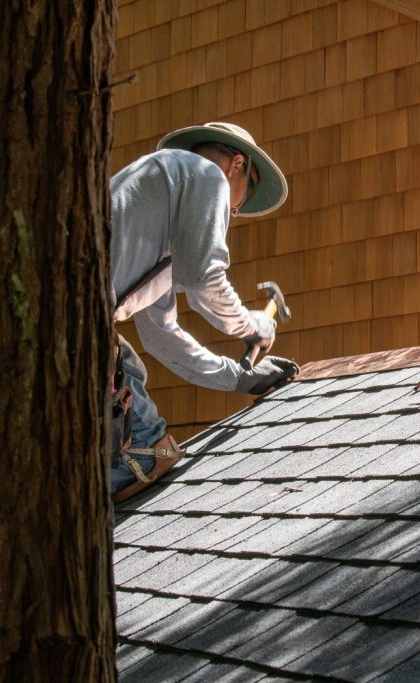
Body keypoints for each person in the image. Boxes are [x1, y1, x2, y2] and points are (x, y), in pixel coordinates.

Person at [109, 122, 299, 502]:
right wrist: (252, 326)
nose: (237, 212)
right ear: (236, 165)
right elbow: (204, 279)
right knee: (124, 368)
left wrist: (240, 379)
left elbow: (162, 335)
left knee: (123, 361)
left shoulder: (155, 207)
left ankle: (128, 461)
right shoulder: (205, 173)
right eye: (243, 200)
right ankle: (141, 456)